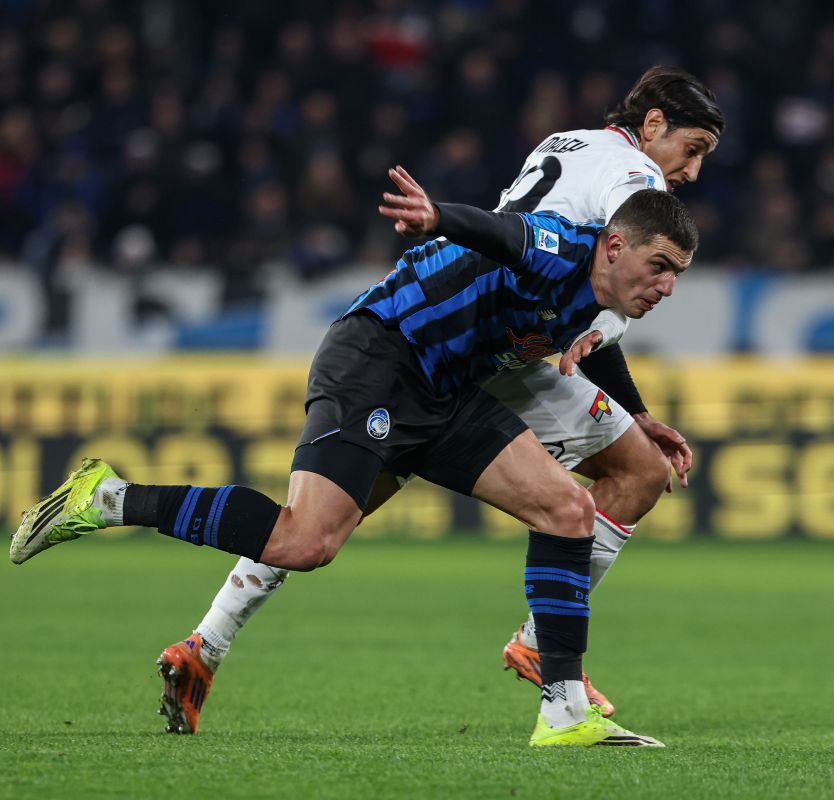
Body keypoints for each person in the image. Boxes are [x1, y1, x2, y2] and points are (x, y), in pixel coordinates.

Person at [11, 169, 699, 747]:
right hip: (378, 360)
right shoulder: (563, 247)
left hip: (446, 394)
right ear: (613, 247)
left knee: (568, 510)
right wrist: (439, 217)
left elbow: (594, 341)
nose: (667, 287)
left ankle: (564, 712)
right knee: (305, 541)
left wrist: (639, 416)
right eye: (660, 266)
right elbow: (506, 233)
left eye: (677, 274)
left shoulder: (605, 301)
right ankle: (108, 498)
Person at [150, 65, 724, 735]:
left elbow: (573, 277)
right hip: (484, 347)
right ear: (652, 124)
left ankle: (206, 643)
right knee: (635, 473)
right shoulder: (638, 178)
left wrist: (634, 404)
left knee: (321, 521)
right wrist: (600, 327)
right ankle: (542, 644)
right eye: (692, 148)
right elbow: (593, 267)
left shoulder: (565, 145)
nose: (692, 171)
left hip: (481, 335)